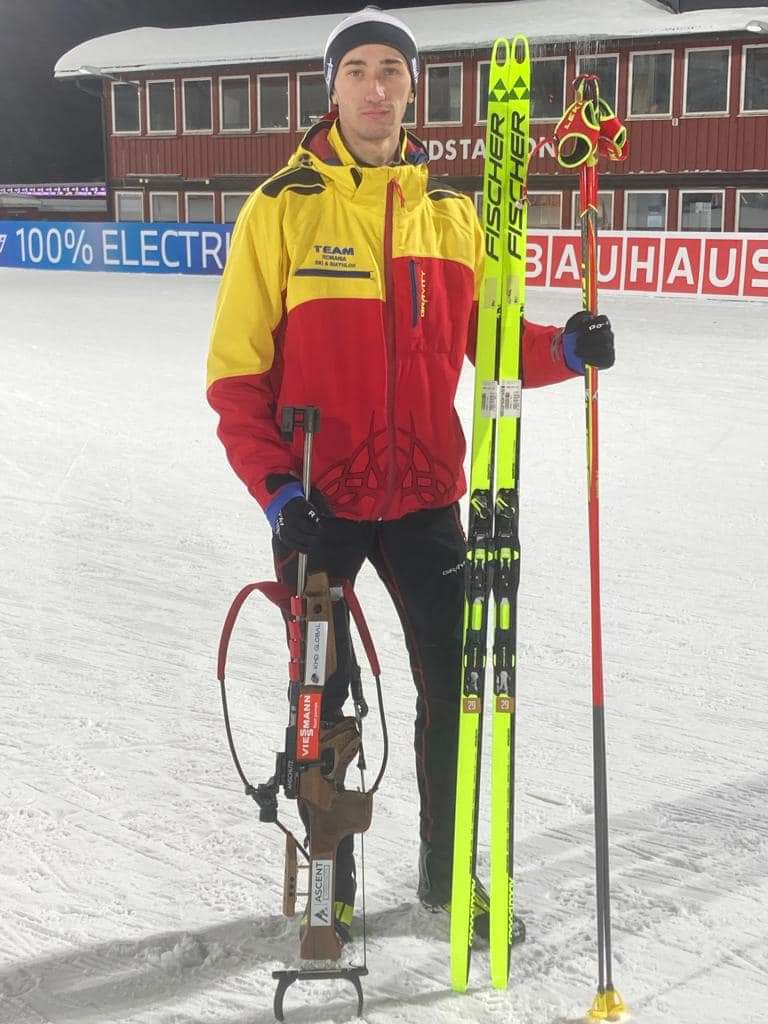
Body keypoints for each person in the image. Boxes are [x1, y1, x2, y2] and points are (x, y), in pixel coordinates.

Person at [206, 5, 615, 943]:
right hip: (318, 502)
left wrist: (567, 349)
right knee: (323, 704)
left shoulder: (452, 214)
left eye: (391, 70)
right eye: (358, 70)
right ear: (333, 88)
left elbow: (493, 342)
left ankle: (445, 873)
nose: (376, 87)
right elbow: (234, 376)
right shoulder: (282, 205)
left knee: (458, 695)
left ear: (412, 90)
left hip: (428, 499)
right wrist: (276, 490)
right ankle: (334, 886)